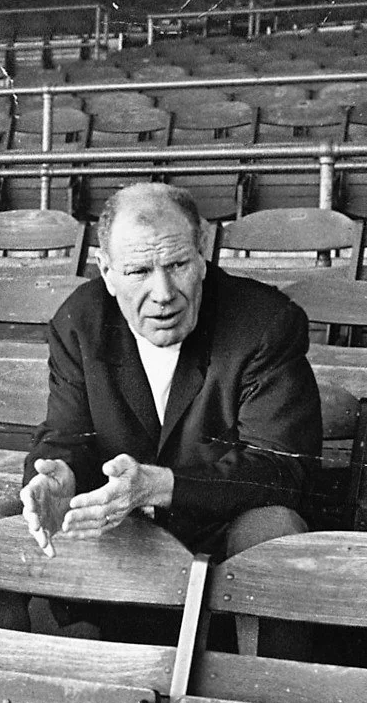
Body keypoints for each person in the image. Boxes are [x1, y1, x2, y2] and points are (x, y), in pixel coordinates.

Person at [19, 182, 323, 567]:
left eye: (177, 265)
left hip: (219, 540)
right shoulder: (79, 321)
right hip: (118, 536)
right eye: (138, 271)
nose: (162, 292)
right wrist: (54, 476)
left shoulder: (265, 323)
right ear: (107, 272)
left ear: (202, 253)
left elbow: (281, 470)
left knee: (273, 530)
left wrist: (159, 487)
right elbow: (65, 434)